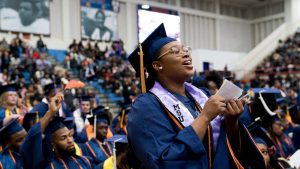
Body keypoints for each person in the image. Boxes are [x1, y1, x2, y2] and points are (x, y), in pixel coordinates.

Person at [127, 23, 265, 168]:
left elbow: (222, 149)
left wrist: (231, 122)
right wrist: (204, 117)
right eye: (175, 51)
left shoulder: (202, 95)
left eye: (185, 49)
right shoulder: (146, 106)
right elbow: (163, 162)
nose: (185, 53)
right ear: (157, 65)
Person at [20, 92, 95, 169]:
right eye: (63, 138)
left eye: (70, 135)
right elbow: (29, 144)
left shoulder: (85, 162)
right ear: (53, 144)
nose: (70, 140)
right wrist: (50, 113)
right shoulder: (47, 166)